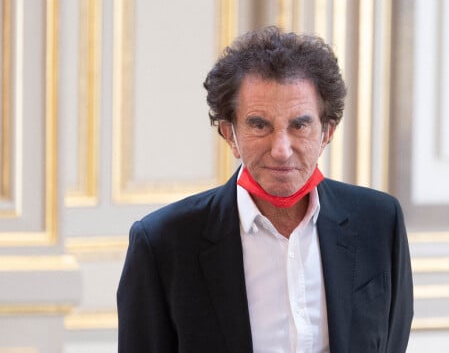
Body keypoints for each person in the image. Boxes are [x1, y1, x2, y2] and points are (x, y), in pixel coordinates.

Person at [117, 26, 413, 353]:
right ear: (230, 135)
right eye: (260, 125)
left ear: (327, 131)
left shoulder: (380, 222)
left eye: (299, 125)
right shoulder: (163, 243)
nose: (281, 149)